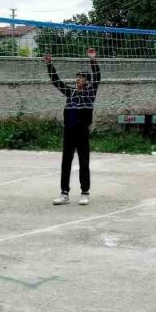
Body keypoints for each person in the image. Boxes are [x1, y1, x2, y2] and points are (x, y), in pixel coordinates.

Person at [46, 48, 100, 206]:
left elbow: (97, 77)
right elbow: (56, 81)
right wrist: (49, 64)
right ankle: (64, 193)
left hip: (82, 132)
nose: (78, 80)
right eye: (77, 78)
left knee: (84, 163)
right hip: (69, 131)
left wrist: (93, 59)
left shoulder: (90, 93)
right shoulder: (71, 93)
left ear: (87, 81)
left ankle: (85, 193)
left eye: (81, 78)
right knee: (66, 163)